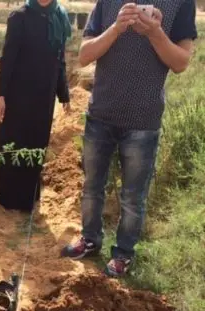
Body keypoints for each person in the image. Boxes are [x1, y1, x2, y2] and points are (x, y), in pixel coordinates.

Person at [61, 1, 197, 277]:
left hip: (143, 121)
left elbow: (181, 63)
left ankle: (123, 254)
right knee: (91, 187)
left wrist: (155, 33)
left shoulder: (180, 3)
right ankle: (90, 240)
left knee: (133, 197)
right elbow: (85, 55)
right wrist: (116, 27)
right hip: (100, 114)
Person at [0, 0, 72, 212]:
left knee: (36, 143)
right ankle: (3, 197)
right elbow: (7, 59)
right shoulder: (20, 17)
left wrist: (64, 94)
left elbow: (60, 60)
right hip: (18, 96)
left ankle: (27, 198)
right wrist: (1, 95)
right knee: (12, 142)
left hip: (44, 97)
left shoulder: (60, 17)